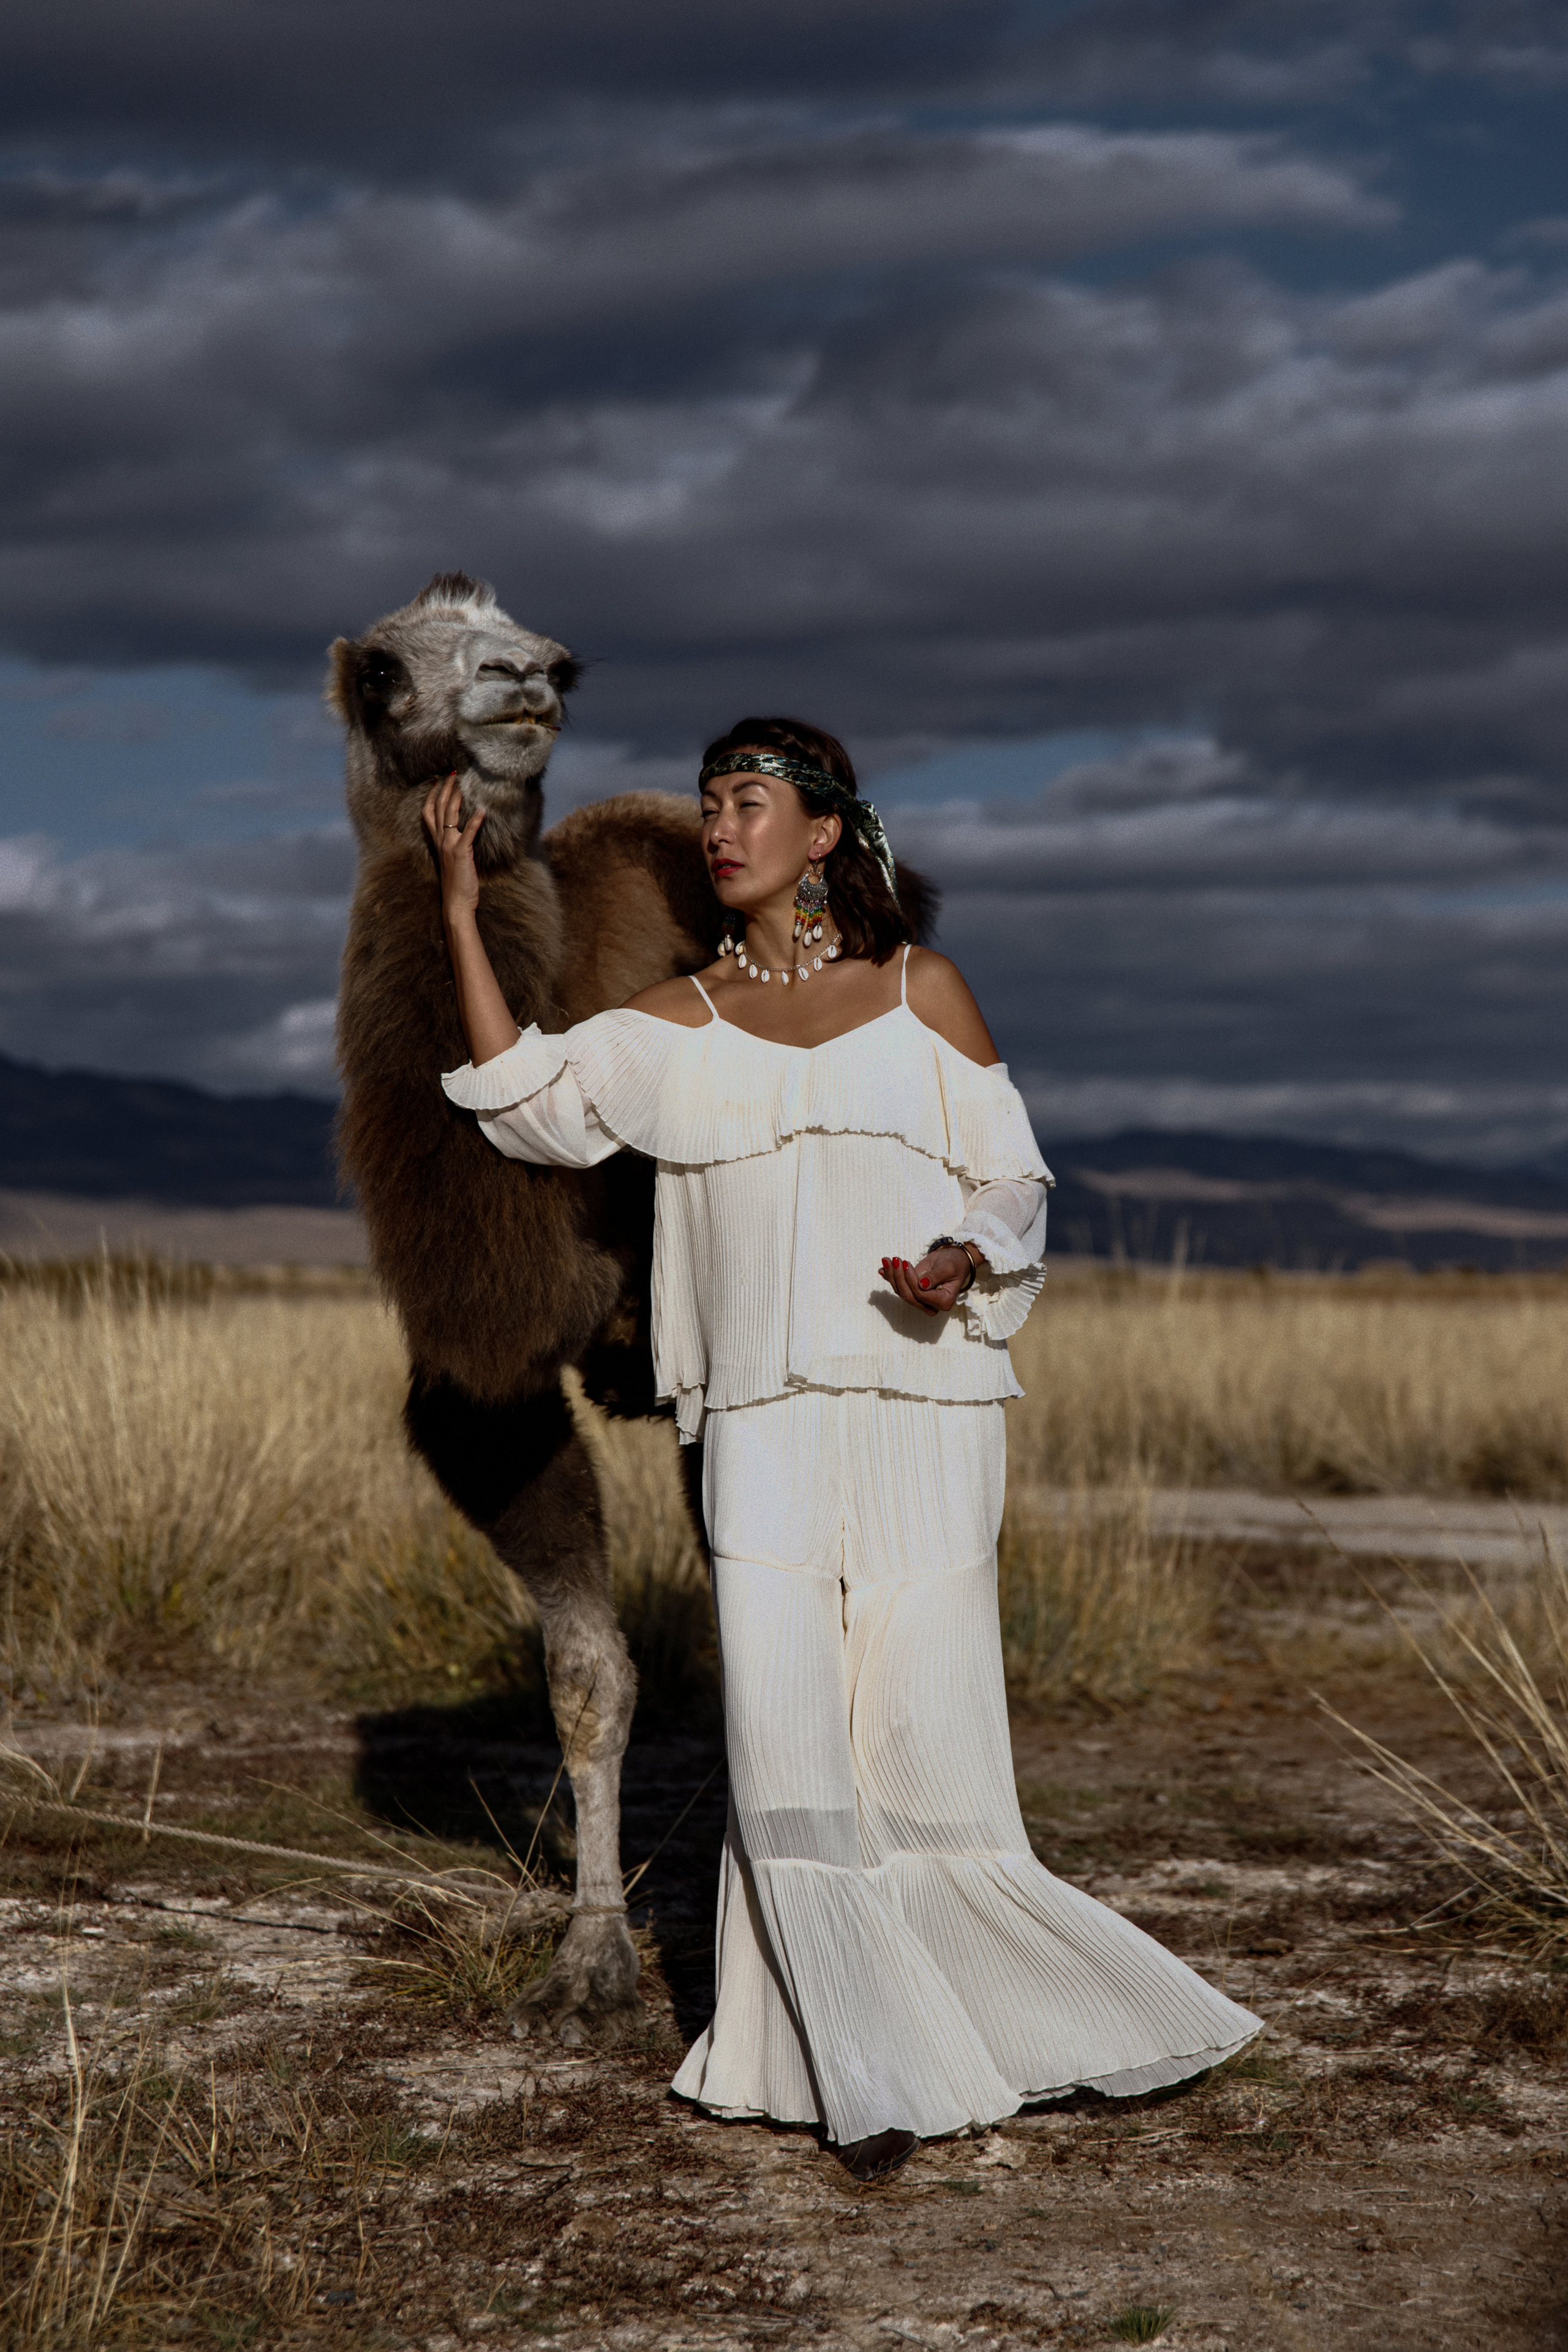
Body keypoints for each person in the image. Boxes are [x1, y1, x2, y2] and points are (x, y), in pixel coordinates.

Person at [428, 715, 1260, 2183]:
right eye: (707, 805)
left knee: (924, 1735)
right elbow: (527, 1107)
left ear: (822, 834)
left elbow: (1013, 1177)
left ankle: (993, 2023)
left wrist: (961, 1251)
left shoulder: (918, 990)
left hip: (921, 1408)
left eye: (747, 803)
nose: (718, 829)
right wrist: (455, 915)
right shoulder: (674, 1022)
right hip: (758, 1416)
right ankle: (853, 2063)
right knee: (786, 1734)